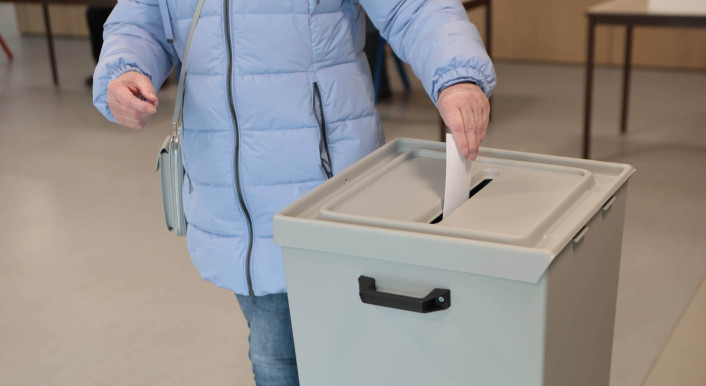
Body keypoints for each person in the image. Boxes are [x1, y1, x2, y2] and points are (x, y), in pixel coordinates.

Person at [93, 0, 495, 385]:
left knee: (337, 354)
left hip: (324, 192)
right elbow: (142, 17)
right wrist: (123, 69)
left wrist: (456, 76)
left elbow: (413, 7)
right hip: (234, 200)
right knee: (276, 357)